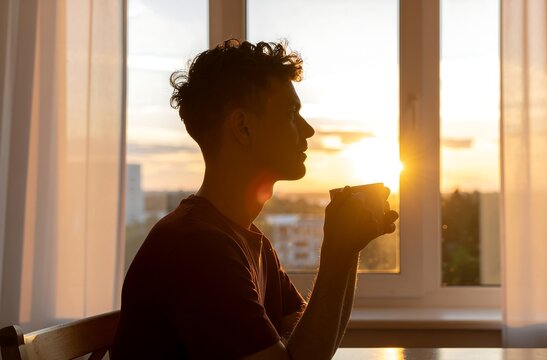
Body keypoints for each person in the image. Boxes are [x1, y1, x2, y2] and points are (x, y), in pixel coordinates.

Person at [111, 39, 398, 359]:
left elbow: (308, 349)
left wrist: (347, 249)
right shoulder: (197, 247)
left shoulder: (245, 239)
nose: (309, 130)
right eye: (292, 113)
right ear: (243, 127)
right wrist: (337, 251)